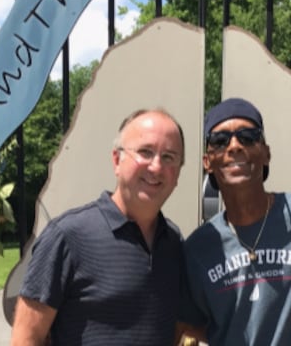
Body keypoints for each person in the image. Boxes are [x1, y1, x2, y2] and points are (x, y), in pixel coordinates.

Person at [179, 98, 291, 345]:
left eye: (247, 137)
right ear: (208, 162)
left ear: (266, 153)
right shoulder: (197, 248)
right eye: (220, 141)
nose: (234, 146)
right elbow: (188, 325)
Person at [11, 108, 186, 346]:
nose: (156, 167)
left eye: (169, 157)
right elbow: (26, 339)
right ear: (117, 160)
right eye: (145, 152)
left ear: (178, 173)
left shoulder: (174, 243)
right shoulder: (68, 237)